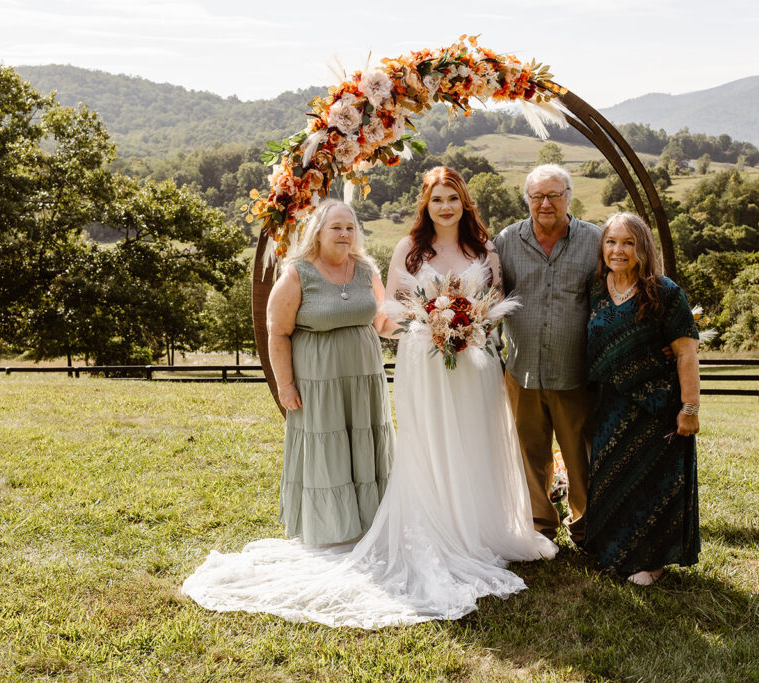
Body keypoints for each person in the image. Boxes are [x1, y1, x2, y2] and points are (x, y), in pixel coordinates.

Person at [182, 168, 555, 628]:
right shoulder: (407, 250)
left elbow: (494, 301)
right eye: (437, 198)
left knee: (475, 440)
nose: (445, 206)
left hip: (473, 360)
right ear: (426, 204)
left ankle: (480, 528)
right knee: (429, 445)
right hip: (424, 359)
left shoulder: (485, 250)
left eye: (453, 199)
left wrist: (468, 326)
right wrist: (431, 324)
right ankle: (435, 524)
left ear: (464, 204)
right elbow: (391, 307)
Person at [265, 199, 394, 545]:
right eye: (336, 227)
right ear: (318, 232)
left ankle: (369, 523)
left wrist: (425, 322)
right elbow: (277, 331)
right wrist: (286, 385)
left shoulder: (367, 269)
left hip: (364, 378)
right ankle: (332, 529)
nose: (344, 234)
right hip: (319, 381)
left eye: (350, 227)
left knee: (366, 445)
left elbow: (382, 320)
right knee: (328, 447)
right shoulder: (297, 272)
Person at [582, 212, 701, 586]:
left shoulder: (665, 292)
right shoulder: (596, 288)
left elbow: (686, 353)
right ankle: (612, 553)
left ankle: (653, 562)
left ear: (643, 248)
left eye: (628, 243)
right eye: (611, 242)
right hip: (608, 405)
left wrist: (690, 408)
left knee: (653, 485)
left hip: (656, 407)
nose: (618, 250)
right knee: (613, 479)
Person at [493, 164, 601, 545]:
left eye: (554, 195)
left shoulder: (595, 241)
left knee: (580, 457)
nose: (545, 204)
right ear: (527, 200)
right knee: (529, 455)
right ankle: (541, 528)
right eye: (537, 196)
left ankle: (586, 528)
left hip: (574, 372)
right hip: (521, 371)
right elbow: (491, 298)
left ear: (569, 197)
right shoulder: (506, 241)